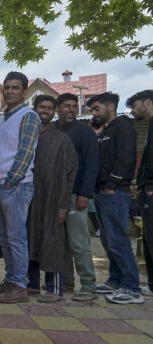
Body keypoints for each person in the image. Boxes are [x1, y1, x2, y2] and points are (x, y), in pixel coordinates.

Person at [0, 71, 41, 304]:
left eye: (15, 88)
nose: (10, 91)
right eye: (7, 87)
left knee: (16, 236)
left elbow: (25, 151)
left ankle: (20, 286)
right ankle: (11, 280)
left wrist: (11, 181)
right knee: (3, 236)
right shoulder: (0, 120)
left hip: (16, 185)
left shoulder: (29, 115)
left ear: (24, 92)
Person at [90, 92, 142, 304]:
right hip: (101, 191)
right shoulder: (106, 130)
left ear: (110, 106)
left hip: (115, 192)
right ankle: (115, 279)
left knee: (119, 240)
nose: (94, 113)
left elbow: (125, 159)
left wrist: (112, 185)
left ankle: (131, 287)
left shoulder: (123, 128)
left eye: (96, 109)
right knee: (108, 240)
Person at [27, 95, 78, 303]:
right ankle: (30, 284)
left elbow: (70, 174)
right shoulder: (27, 135)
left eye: (49, 108)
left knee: (53, 241)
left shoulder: (62, 139)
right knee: (29, 239)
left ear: (54, 111)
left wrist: (63, 206)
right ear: (35, 109)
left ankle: (54, 288)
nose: (45, 111)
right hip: (29, 197)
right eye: (41, 107)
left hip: (53, 200)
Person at [55, 92, 100, 301]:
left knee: (79, 242)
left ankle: (89, 285)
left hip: (76, 196)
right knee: (60, 242)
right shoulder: (52, 131)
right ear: (58, 109)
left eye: (74, 106)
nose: (71, 109)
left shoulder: (85, 132)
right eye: (67, 106)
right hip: (55, 196)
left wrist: (85, 194)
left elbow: (92, 164)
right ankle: (66, 282)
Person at [131, 90, 153, 298]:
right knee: (148, 237)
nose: (133, 110)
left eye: (135, 106)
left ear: (147, 102)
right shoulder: (149, 126)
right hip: (146, 190)